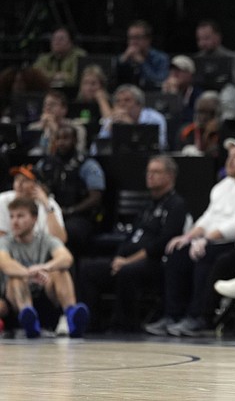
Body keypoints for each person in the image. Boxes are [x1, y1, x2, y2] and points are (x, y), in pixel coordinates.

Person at [143, 139, 235, 337]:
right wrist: (188, 236)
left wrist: (206, 239)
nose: (230, 161)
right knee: (178, 252)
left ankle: (199, 317)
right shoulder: (224, 186)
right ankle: (173, 315)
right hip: (211, 239)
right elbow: (207, 217)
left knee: (205, 256)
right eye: (230, 156)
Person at [77, 156, 188, 332]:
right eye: (148, 172)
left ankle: (124, 324)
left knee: (128, 271)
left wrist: (128, 261)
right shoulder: (147, 205)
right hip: (129, 258)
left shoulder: (176, 205)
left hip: (155, 263)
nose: (150, 176)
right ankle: (91, 323)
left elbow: (162, 243)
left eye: (156, 172)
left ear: (170, 176)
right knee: (88, 268)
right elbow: (131, 236)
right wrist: (119, 257)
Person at [0, 197, 89, 338]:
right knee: (15, 279)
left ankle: (71, 315)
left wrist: (45, 267)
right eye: (12, 217)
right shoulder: (5, 242)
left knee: (60, 272)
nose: (14, 221)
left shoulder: (46, 239)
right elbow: (5, 264)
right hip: (16, 302)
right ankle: (29, 320)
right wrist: (29, 273)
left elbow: (66, 258)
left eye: (20, 216)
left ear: (34, 218)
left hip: (44, 297)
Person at [34, 124, 106, 261]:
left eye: (66, 138)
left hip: (79, 216)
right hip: (51, 212)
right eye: (58, 138)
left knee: (69, 231)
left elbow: (96, 197)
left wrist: (71, 210)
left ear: (74, 140)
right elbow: (37, 186)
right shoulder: (46, 163)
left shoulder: (88, 165)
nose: (61, 142)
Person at [116, 20, 169, 90]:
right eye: (130, 38)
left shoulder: (161, 58)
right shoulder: (123, 59)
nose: (133, 42)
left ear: (148, 39)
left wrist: (142, 63)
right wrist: (122, 62)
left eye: (137, 38)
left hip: (152, 96)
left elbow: (160, 82)